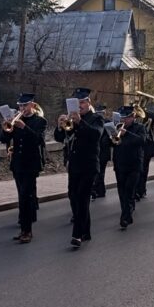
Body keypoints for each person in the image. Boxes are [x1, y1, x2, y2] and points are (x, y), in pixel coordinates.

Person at [54, 87, 104, 249]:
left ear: (88, 102)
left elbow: (95, 135)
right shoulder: (72, 119)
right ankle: (86, 231)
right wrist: (59, 125)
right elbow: (61, 138)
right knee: (74, 198)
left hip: (89, 165)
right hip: (74, 166)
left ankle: (77, 235)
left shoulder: (96, 118)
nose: (80, 106)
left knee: (82, 199)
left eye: (82, 102)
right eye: (77, 103)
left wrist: (79, 122)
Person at [2, 93, 47, 244]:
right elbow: (5, 139)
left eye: (25, 106)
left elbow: (39, 140)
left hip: (30, 164)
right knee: (21, 196)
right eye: (20, 106)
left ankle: (27, 230)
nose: (22, 109)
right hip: (17, 164)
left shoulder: (40, 121)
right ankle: (23, 229)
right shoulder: (16, 121)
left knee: (26, 197)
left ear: (32, 105)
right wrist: (6, 127)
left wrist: (24, 127)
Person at [111, 105, 146, 228]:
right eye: (122, 118)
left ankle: (125, 217)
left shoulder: (139, 128)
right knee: (121, 191)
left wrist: (128, 133)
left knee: (129, 191)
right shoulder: (118, 128)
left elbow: (142, 141)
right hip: (120, 164)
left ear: (133, 117)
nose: (123, 120)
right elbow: (111, 144)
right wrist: (110, 135)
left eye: (126, 118)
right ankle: (126, 212)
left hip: (134, 164)